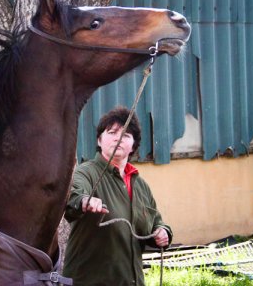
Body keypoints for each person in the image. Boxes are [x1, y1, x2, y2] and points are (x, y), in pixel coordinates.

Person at [62, 106, 172, 286]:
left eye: (126, 135)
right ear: (99, 140)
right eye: (111, 132)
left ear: (133, 146)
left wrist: (163, 232)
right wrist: (84, 201)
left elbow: (155, 222)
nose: (118, 138)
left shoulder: (141, 186)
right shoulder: (86, 172)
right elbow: (74, 193)